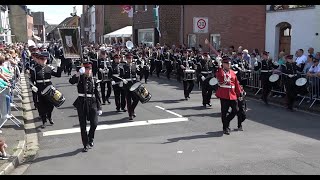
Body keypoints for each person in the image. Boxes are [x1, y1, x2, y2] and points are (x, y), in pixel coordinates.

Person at [69, 61, 102, 152]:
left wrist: (99, 107)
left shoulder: (94, 80)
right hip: (81, 102)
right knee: (83, 125)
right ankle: (85, 144)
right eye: (86, 69)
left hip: (92, 102)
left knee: (94, 123)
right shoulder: (80, 78)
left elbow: (97, 94)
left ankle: (90, 138)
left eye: (89, 69)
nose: (88, 71)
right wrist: (79, 73)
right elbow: (71, 81)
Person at [30, 52, 63, 128]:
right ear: (39, 60)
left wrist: (59, 66)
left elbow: (58, 75)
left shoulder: (49, 68)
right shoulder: (35, 69)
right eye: (42, 59)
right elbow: (31, 80)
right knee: (41, 106)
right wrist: (32, 86)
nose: (43, 61)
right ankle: (44, 120)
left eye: (45, 59)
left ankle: (49, 116)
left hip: (49, 88)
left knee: (51, 105)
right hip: (40, 88)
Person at [215, 56, 244, 135]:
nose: (229, 65)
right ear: (223, 64)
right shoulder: (220, 71)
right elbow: (220, 77)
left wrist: (239, 93)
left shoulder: (232, 72)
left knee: (235, 110)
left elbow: (236, 83)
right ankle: (225, 128)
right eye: (227, 63)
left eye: (229, 63)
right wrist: (219, 65)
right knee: (224, 112)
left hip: (232, 94)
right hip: (224, 95)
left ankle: (227, 121)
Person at [119, 53, 139, 120]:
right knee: (128, 100)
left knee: (136, 99)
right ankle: (130, 114)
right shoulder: (123, 67)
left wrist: (142, 68)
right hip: (127, 85)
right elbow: (120, 76)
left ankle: (131, 110)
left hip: (133, 85)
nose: (129, 59)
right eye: (128, 58)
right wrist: (123, 79)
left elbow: (138, 75)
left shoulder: (134, 65)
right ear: (126, 59)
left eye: (130, 58)